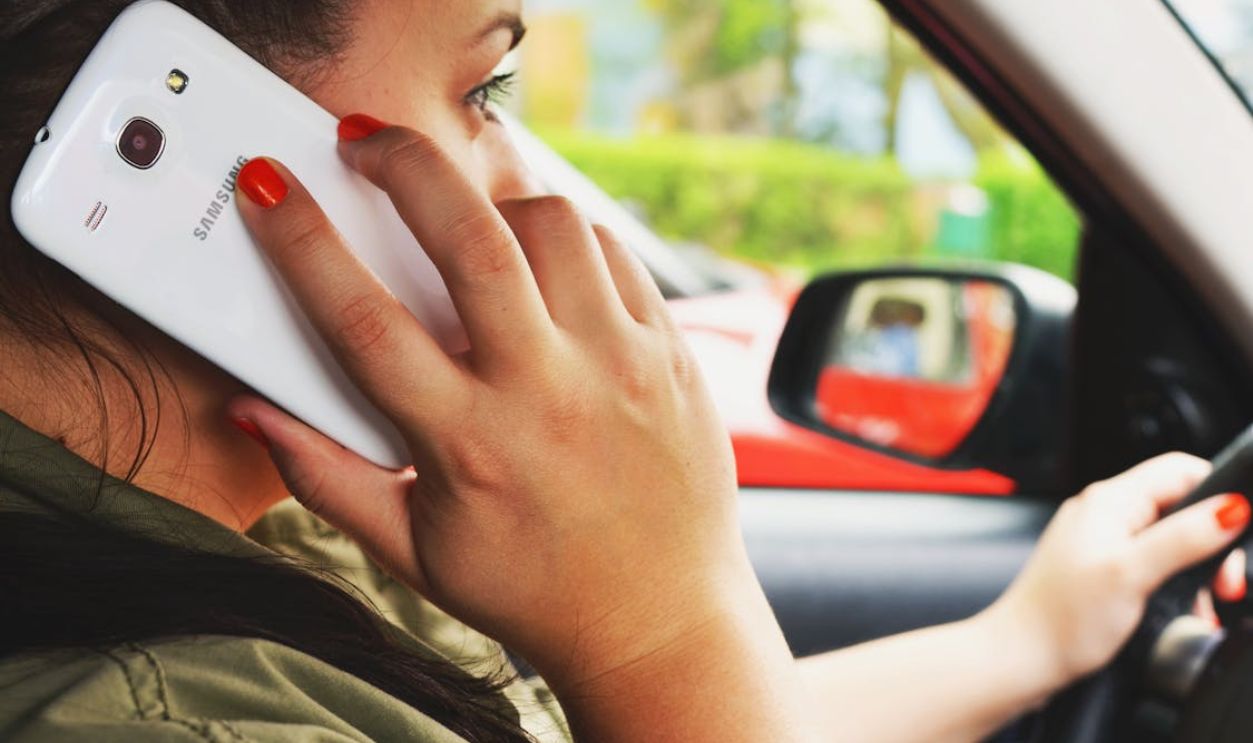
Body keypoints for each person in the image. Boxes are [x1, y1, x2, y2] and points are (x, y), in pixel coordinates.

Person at [0, 2, 1248, 741]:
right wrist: (662, 622)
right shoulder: (177, 716)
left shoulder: (283, 529)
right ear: (205, 129)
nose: (533, 190)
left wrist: (1022, 636)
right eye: (481, 85)